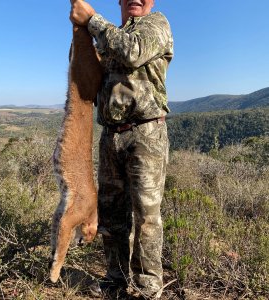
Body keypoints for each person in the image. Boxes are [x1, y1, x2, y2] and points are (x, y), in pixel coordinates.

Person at [70, 0, 173, 298]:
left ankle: (147, 287)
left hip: (146, 134)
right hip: (111, 135)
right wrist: (79, 33)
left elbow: (132, 52)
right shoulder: (109, 36)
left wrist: (91, 20)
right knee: (112, 213)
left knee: (147, 217)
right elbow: (83, 71)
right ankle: (114, 280)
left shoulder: (156, 25)